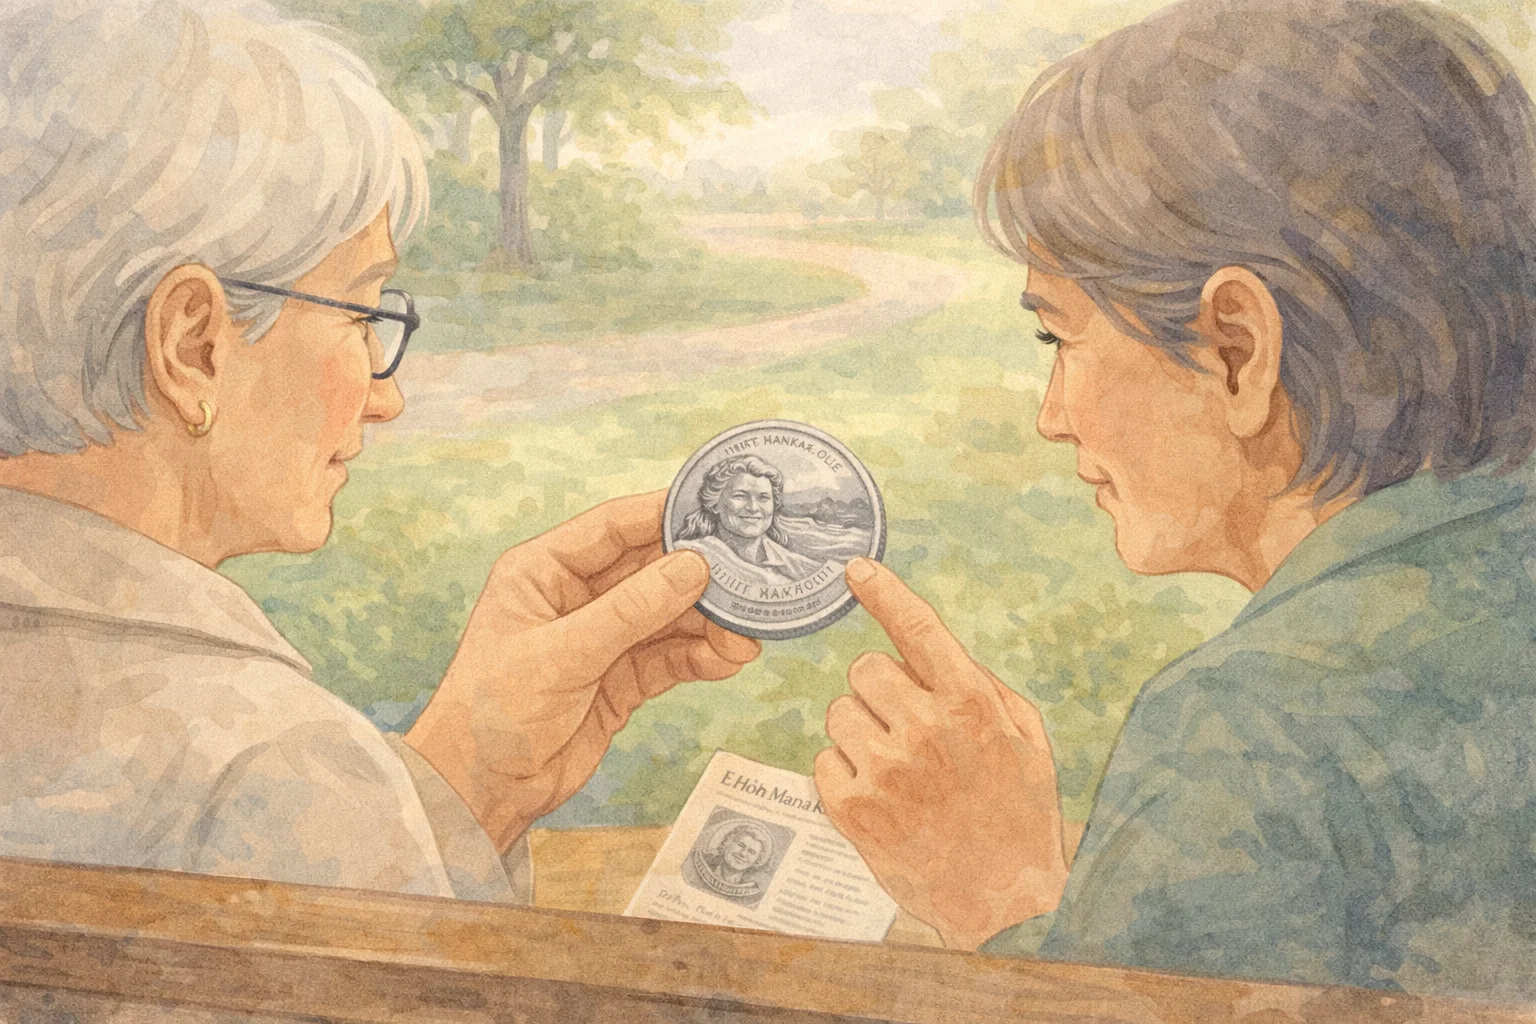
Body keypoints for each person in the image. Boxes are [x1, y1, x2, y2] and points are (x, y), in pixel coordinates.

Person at [815, 0, 1536, 1001]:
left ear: (1238, 348)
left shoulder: (1247, 731)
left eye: (1059, 339)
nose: (1051, 418)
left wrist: (1001, 898)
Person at [0, 0, 758, 902]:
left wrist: (473, 782)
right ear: (192, 346)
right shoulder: (272, 770)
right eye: (362, 313)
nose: (388, 395)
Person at [675, 456, 825, 586]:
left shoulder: (799, 565)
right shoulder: (687, 555)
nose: (753, 508)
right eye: (740, 496)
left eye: (763, 498)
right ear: (715, 504)